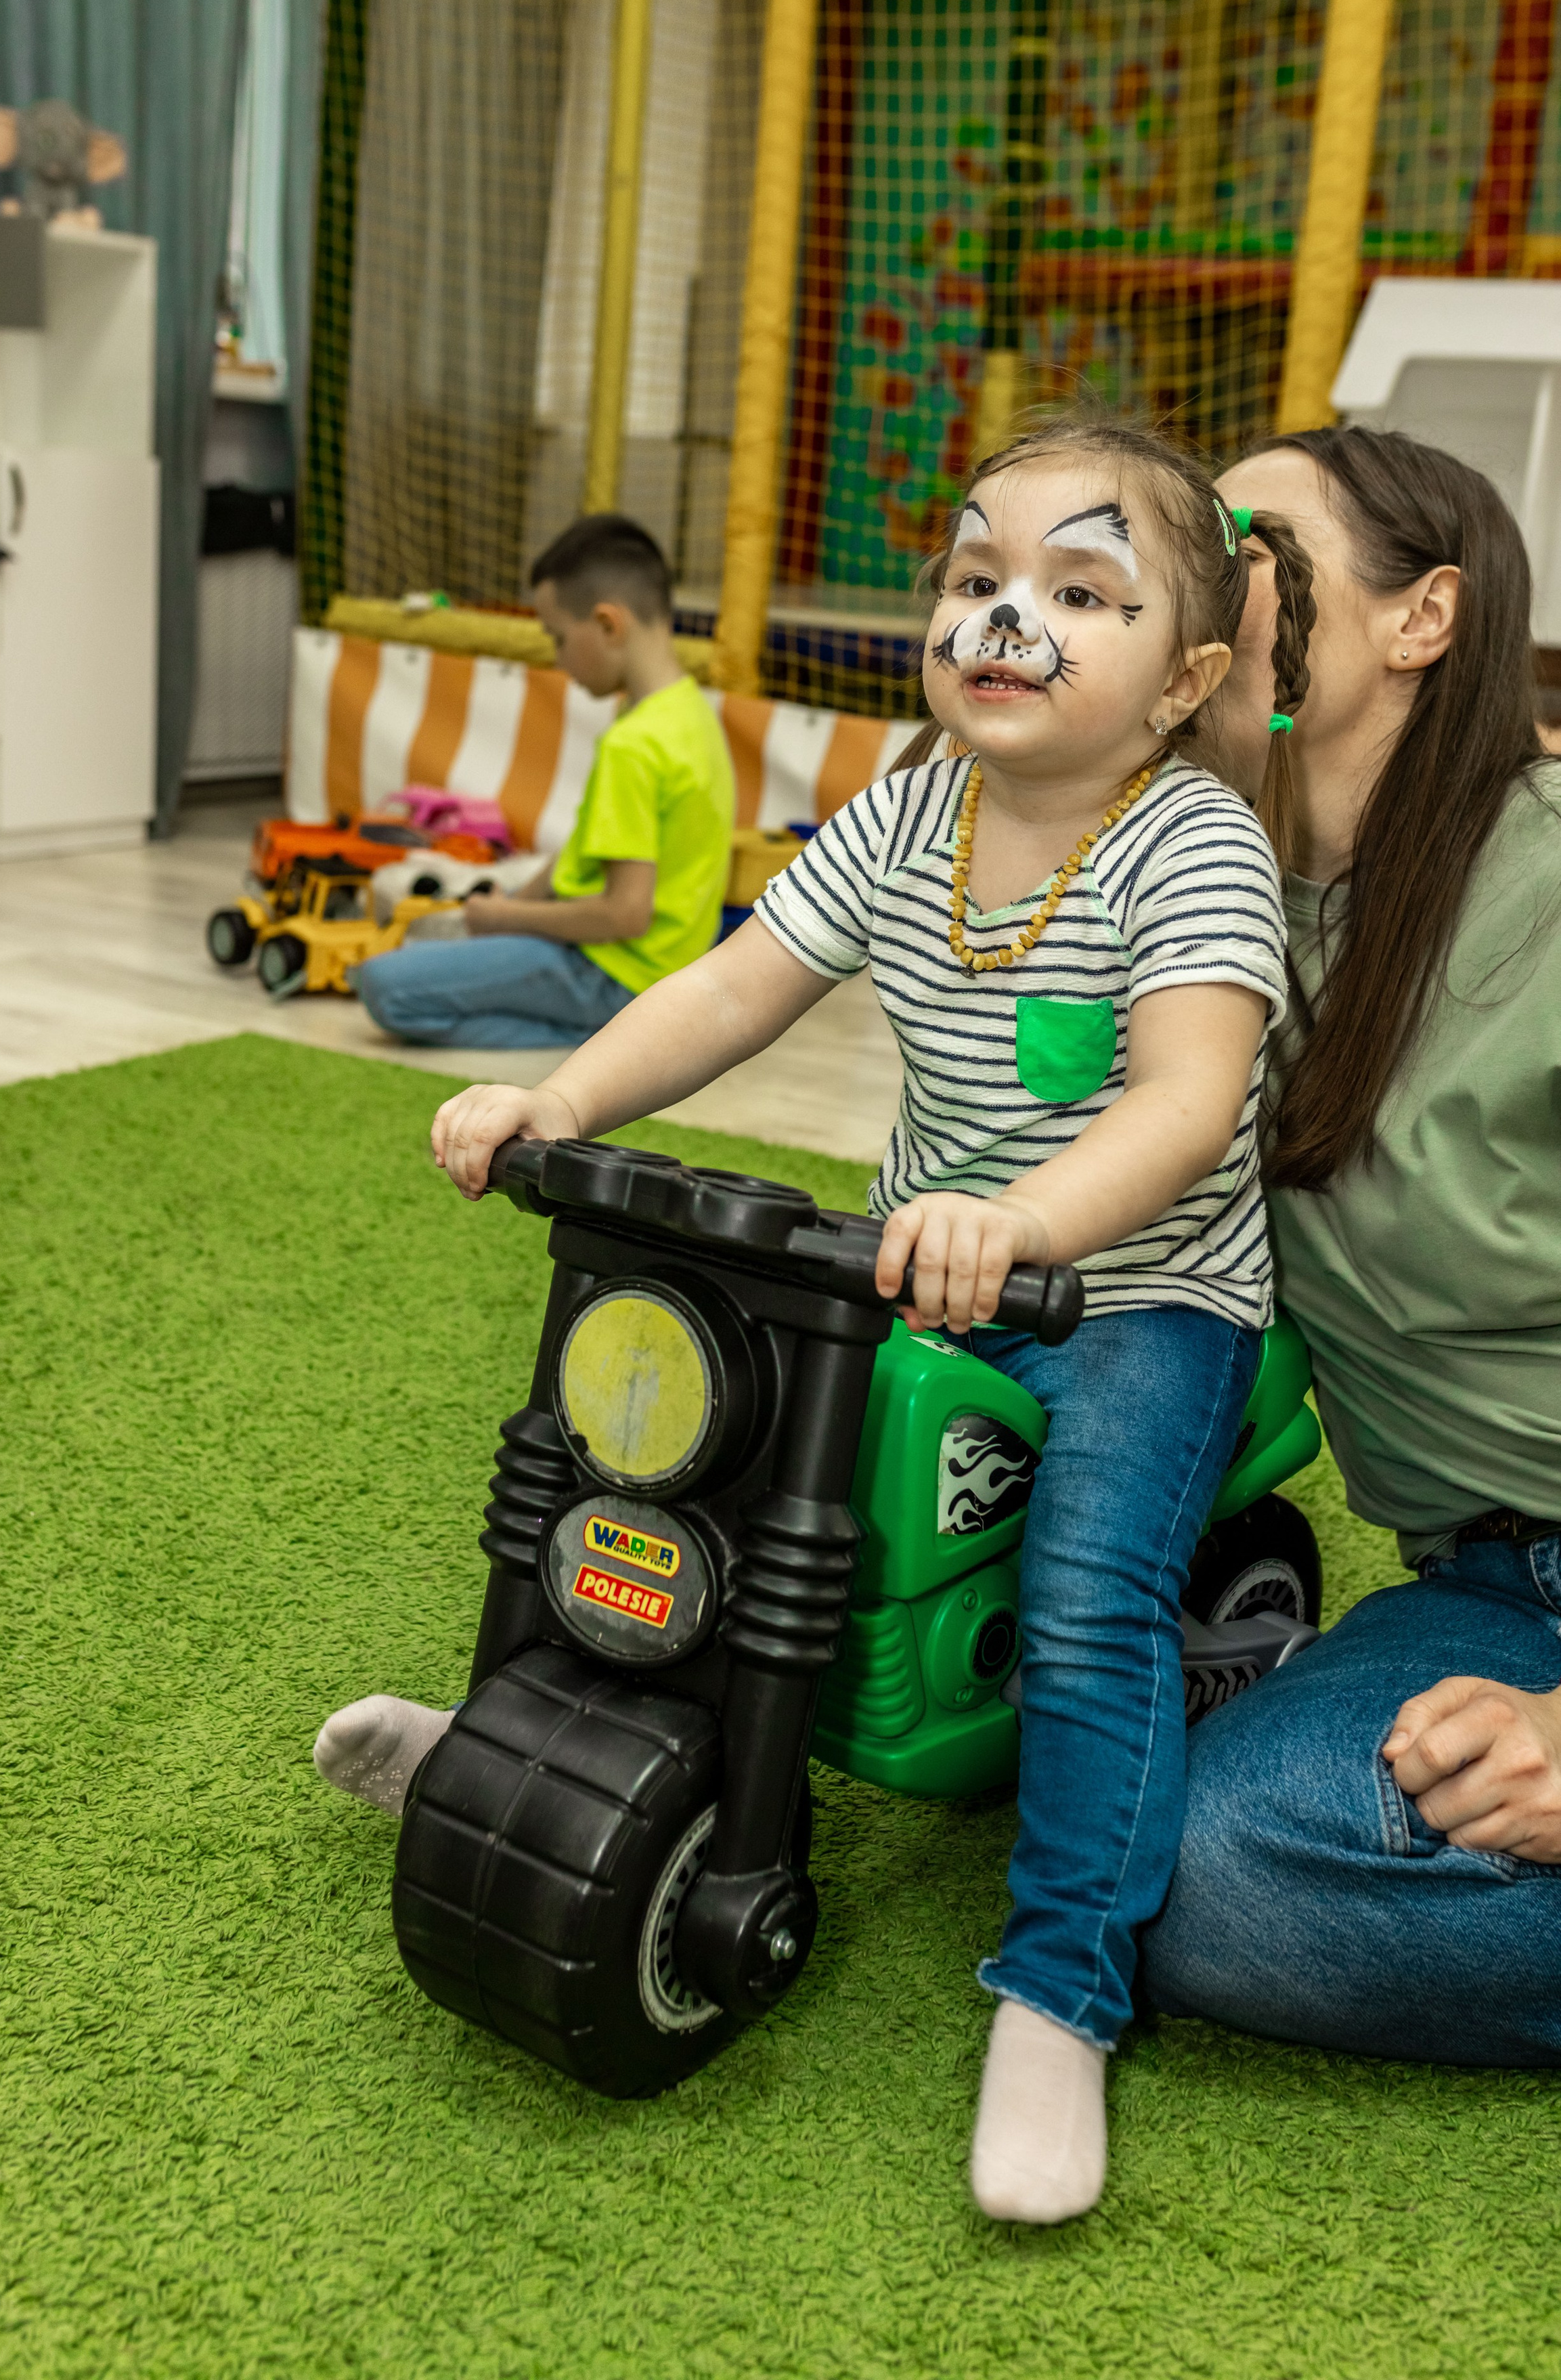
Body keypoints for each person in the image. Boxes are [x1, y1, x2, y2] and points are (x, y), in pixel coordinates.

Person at [317, 416, 1317, 2224]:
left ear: (1188, 679)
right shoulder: (915, 809)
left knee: (1089, 1602)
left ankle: (1062, 1992)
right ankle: (512, 1754)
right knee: (684, 1467)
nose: (1008, 619)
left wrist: (1017, 1221)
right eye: (978, 575)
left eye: (1081, 592)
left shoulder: (1196, 848)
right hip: (918, 1263)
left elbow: (1182, 1107)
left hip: (1143, 1295)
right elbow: (737, 979)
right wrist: (567, 1100)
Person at [1143, 426, 1561, 2063]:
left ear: (1418, 616)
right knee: (1195, 1873)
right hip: (1477, 1585)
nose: (1185, 555)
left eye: (1234, 531)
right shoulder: (1200, 890)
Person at [349, 515, 734, 1052]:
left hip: (614, 975)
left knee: (382, 986)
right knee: (443, 943)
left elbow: (626, 913)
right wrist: (515, 907)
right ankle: (620, 1032)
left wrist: (511, 916)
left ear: (607, 625)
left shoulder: (635, 744)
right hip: (663, 970)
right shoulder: (689, 712)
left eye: (558, 639)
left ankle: (607, 1039)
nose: (557, 661)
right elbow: (589, 848)